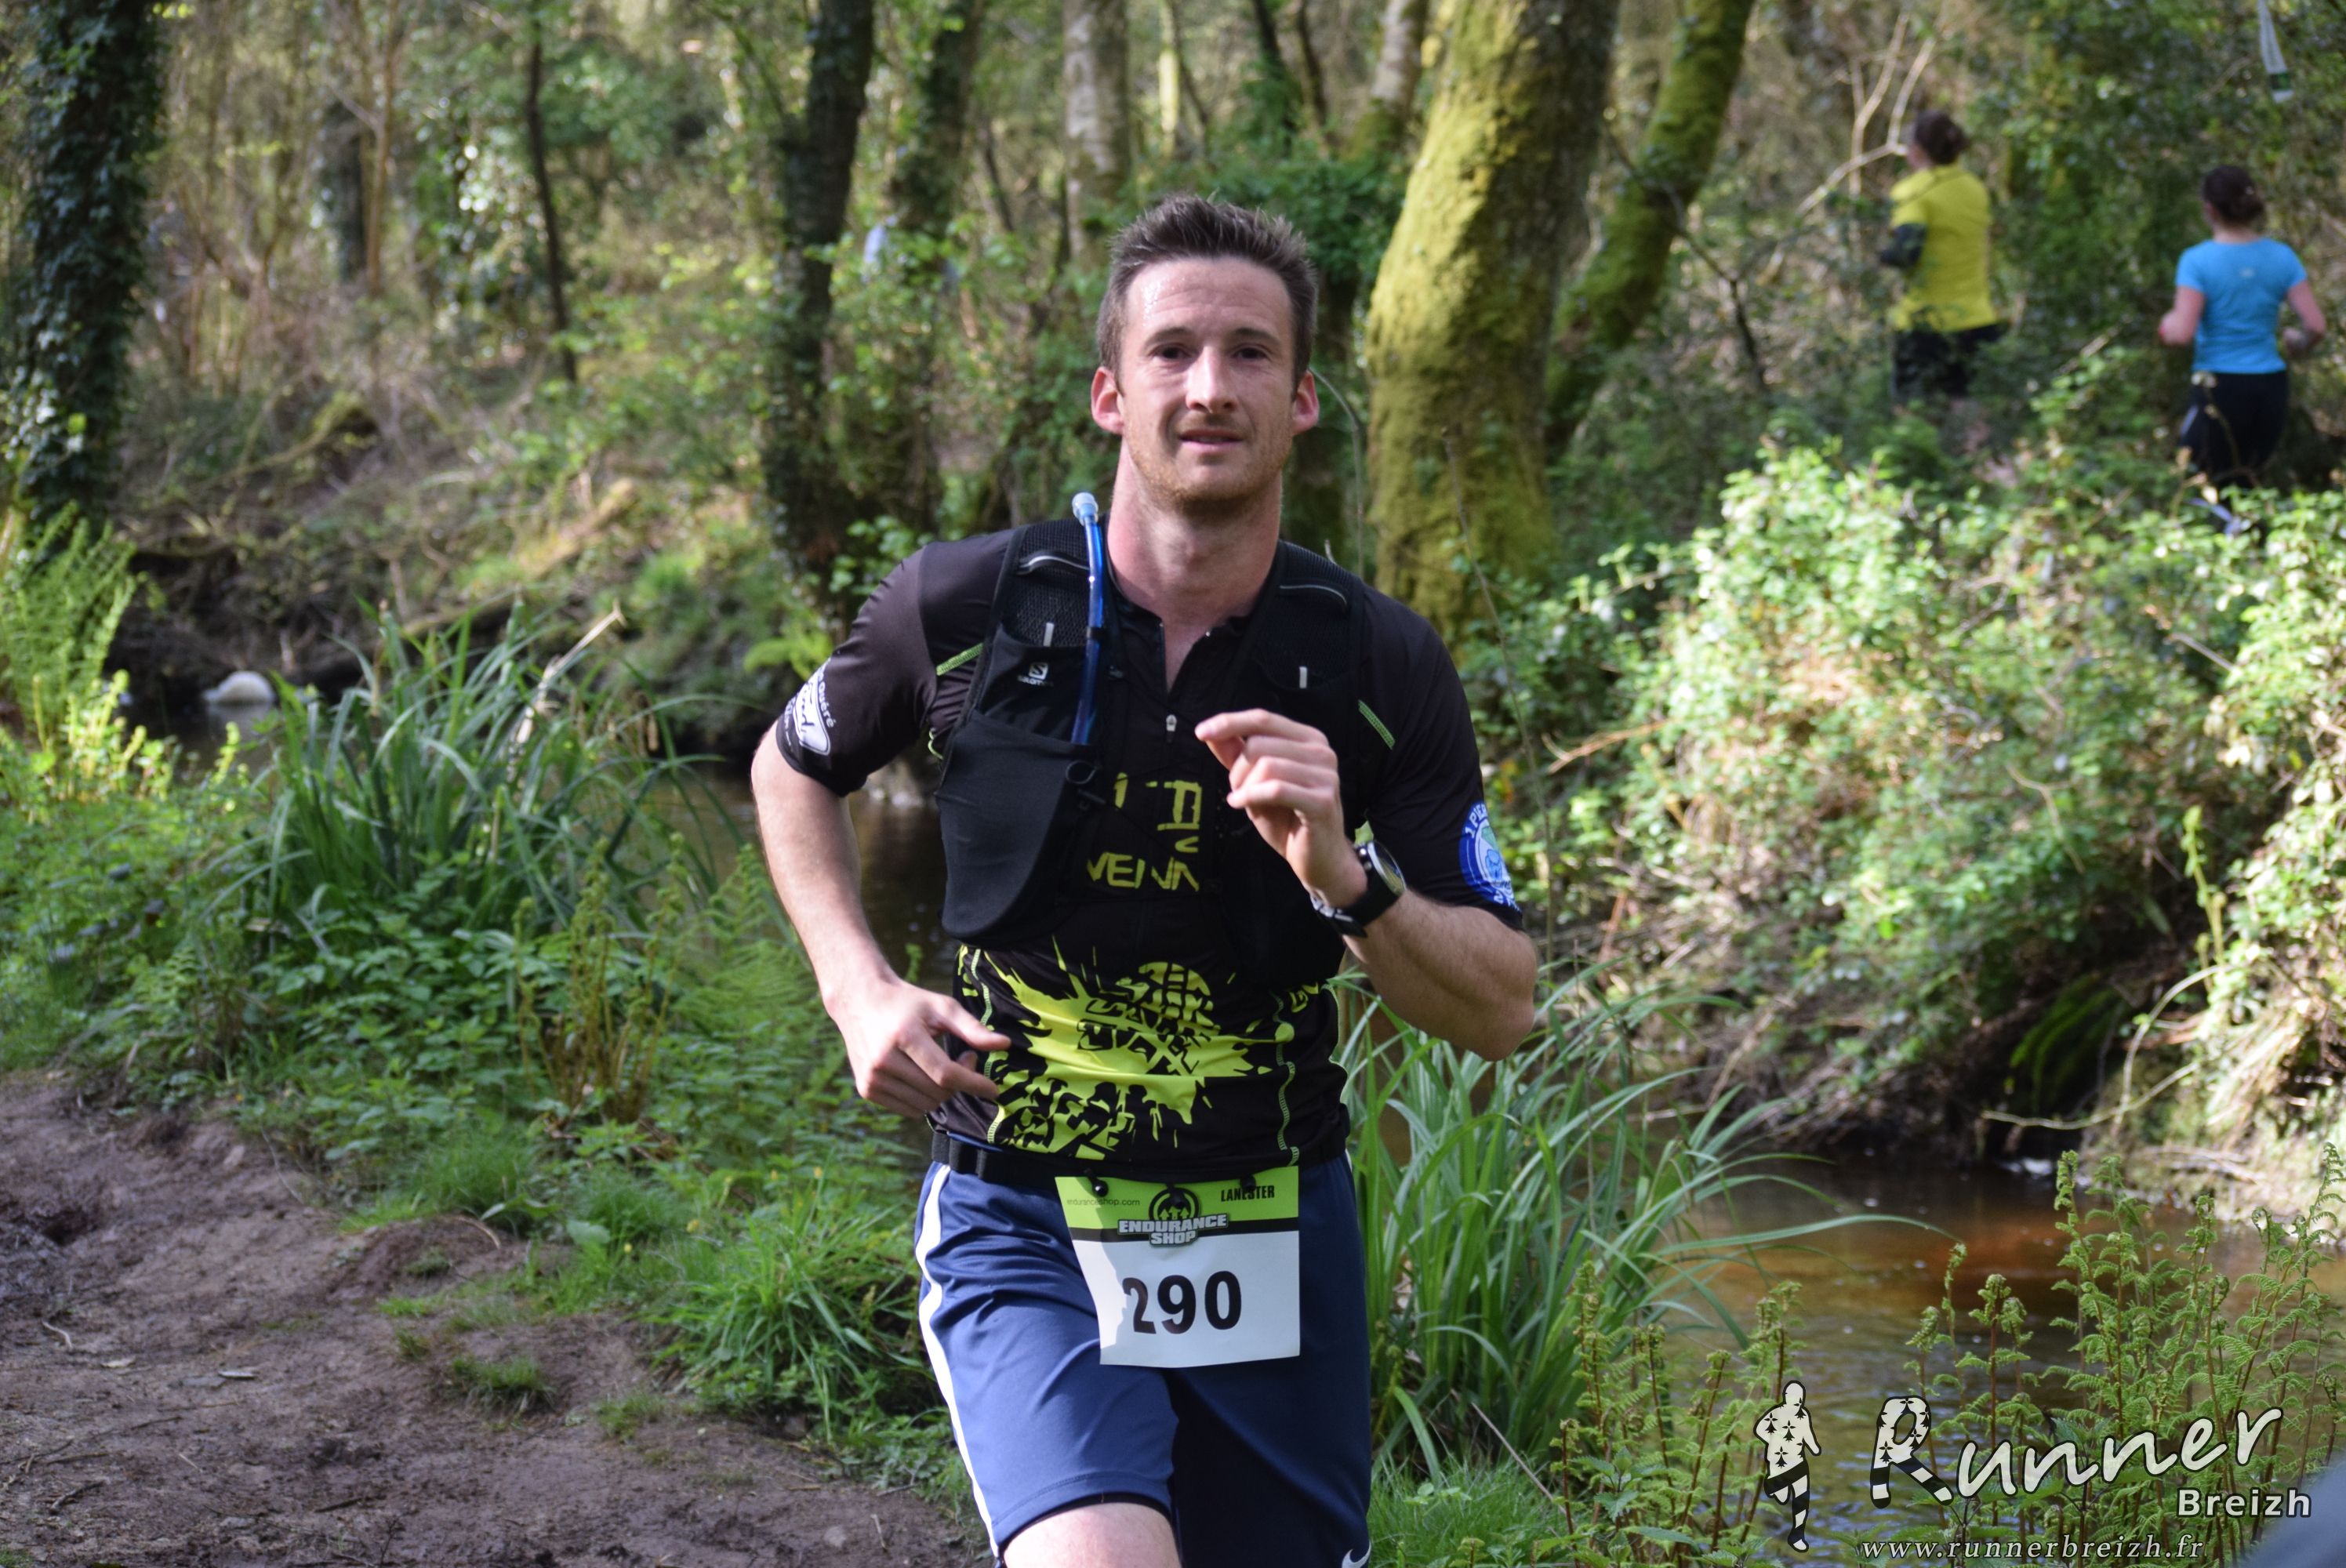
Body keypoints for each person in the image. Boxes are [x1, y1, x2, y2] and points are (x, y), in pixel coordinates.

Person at [750, 195, 1537, 1568]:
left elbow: (1501, 1008)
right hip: (1021, 1204)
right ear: (1112, 394)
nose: (1209, 386)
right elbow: (790, 762)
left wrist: (1345, 876)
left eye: (1249, 354)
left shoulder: (1380, 665)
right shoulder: (963, 608)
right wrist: (855, 988)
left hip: (1272, 1219)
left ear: (1302, 401)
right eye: (1173, 351)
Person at [2158, 165, 2326, 490]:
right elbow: (2316, 326)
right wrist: (2298, 342)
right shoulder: (2282, 257)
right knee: (2249, 483)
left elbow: (2180, 334)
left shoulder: (2197, 261)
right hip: (2271, 389)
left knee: (2200, 482)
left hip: (2219, 387)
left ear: (2210, 209)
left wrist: (2166, 325)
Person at [1880, 109, 2003, 447]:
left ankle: (1921, 472)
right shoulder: (1975, 189)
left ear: (1917, 150)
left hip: (1925, 324)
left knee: (1912, 413)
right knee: (1971, 416)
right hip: (1977, 320)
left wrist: (1879, 255)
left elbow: (1907, 252)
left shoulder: (1913, 192)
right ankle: (1982, 472)